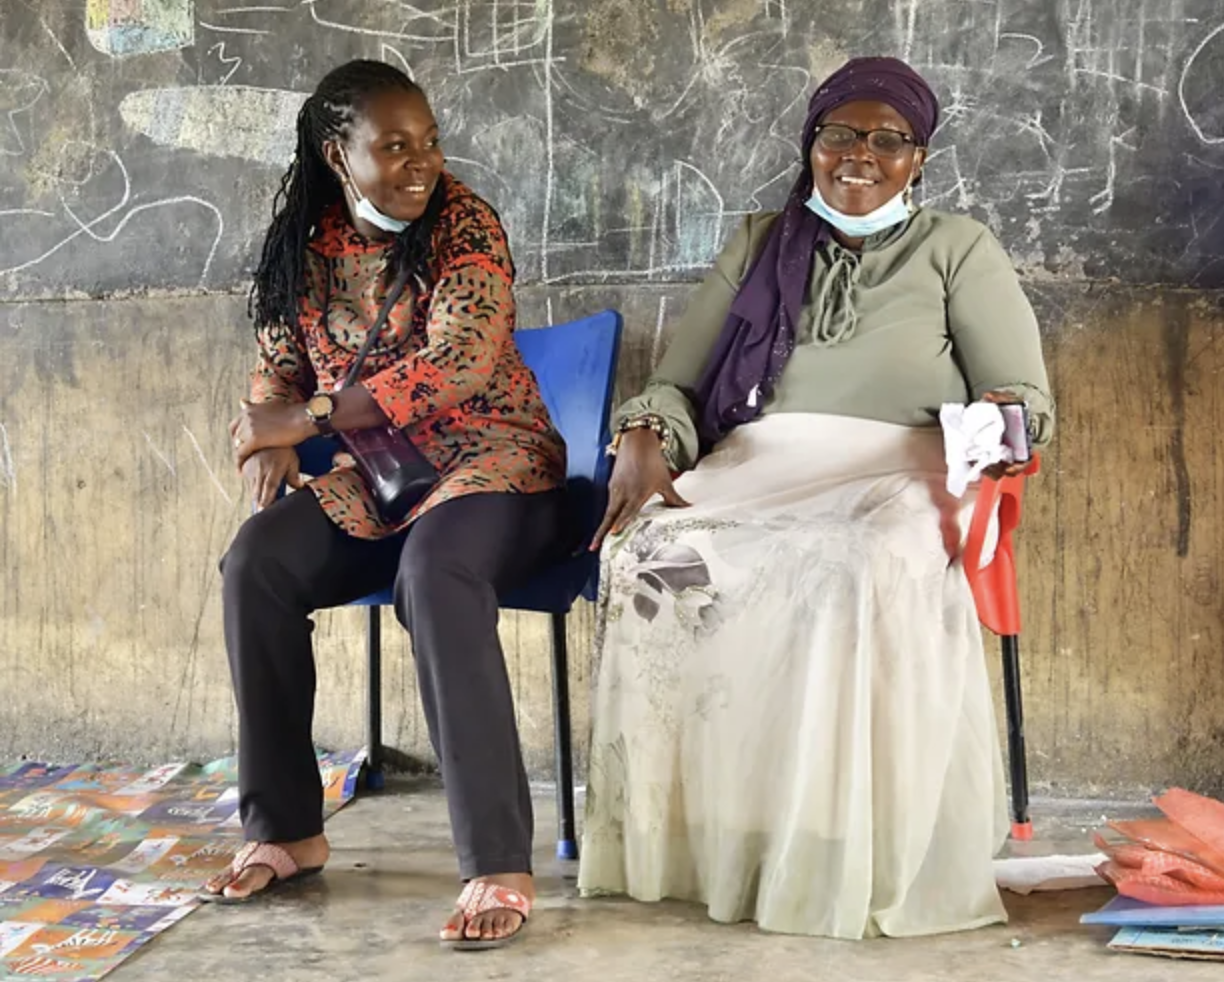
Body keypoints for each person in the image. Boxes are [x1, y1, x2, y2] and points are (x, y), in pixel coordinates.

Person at [577, 57, 1055, 939]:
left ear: (920, 158)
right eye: (840, 134)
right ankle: (699, 838)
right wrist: (644, 436)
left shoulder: (957, 248)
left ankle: (834, 843)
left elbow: (1023, 395)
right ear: (812, 144)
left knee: (850, 565)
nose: (859, 156)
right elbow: (678, 387)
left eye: (888, 140)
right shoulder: (760, 243)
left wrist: (997, 423)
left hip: (900, 473)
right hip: (760, 463)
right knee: (650, 554)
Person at [204, 59, 566, 951]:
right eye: (394, 147)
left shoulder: (464, 222)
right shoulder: (305, 243)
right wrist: (273, 424)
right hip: (382, 481)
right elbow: (279, 364)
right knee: (258, 561)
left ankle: (497, 865)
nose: (421, 164)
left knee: (435, 572)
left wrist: (313, 414)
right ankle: (286, 829)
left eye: (430, 143)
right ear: (337, 153)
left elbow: (462, 363)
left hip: (496, 465)